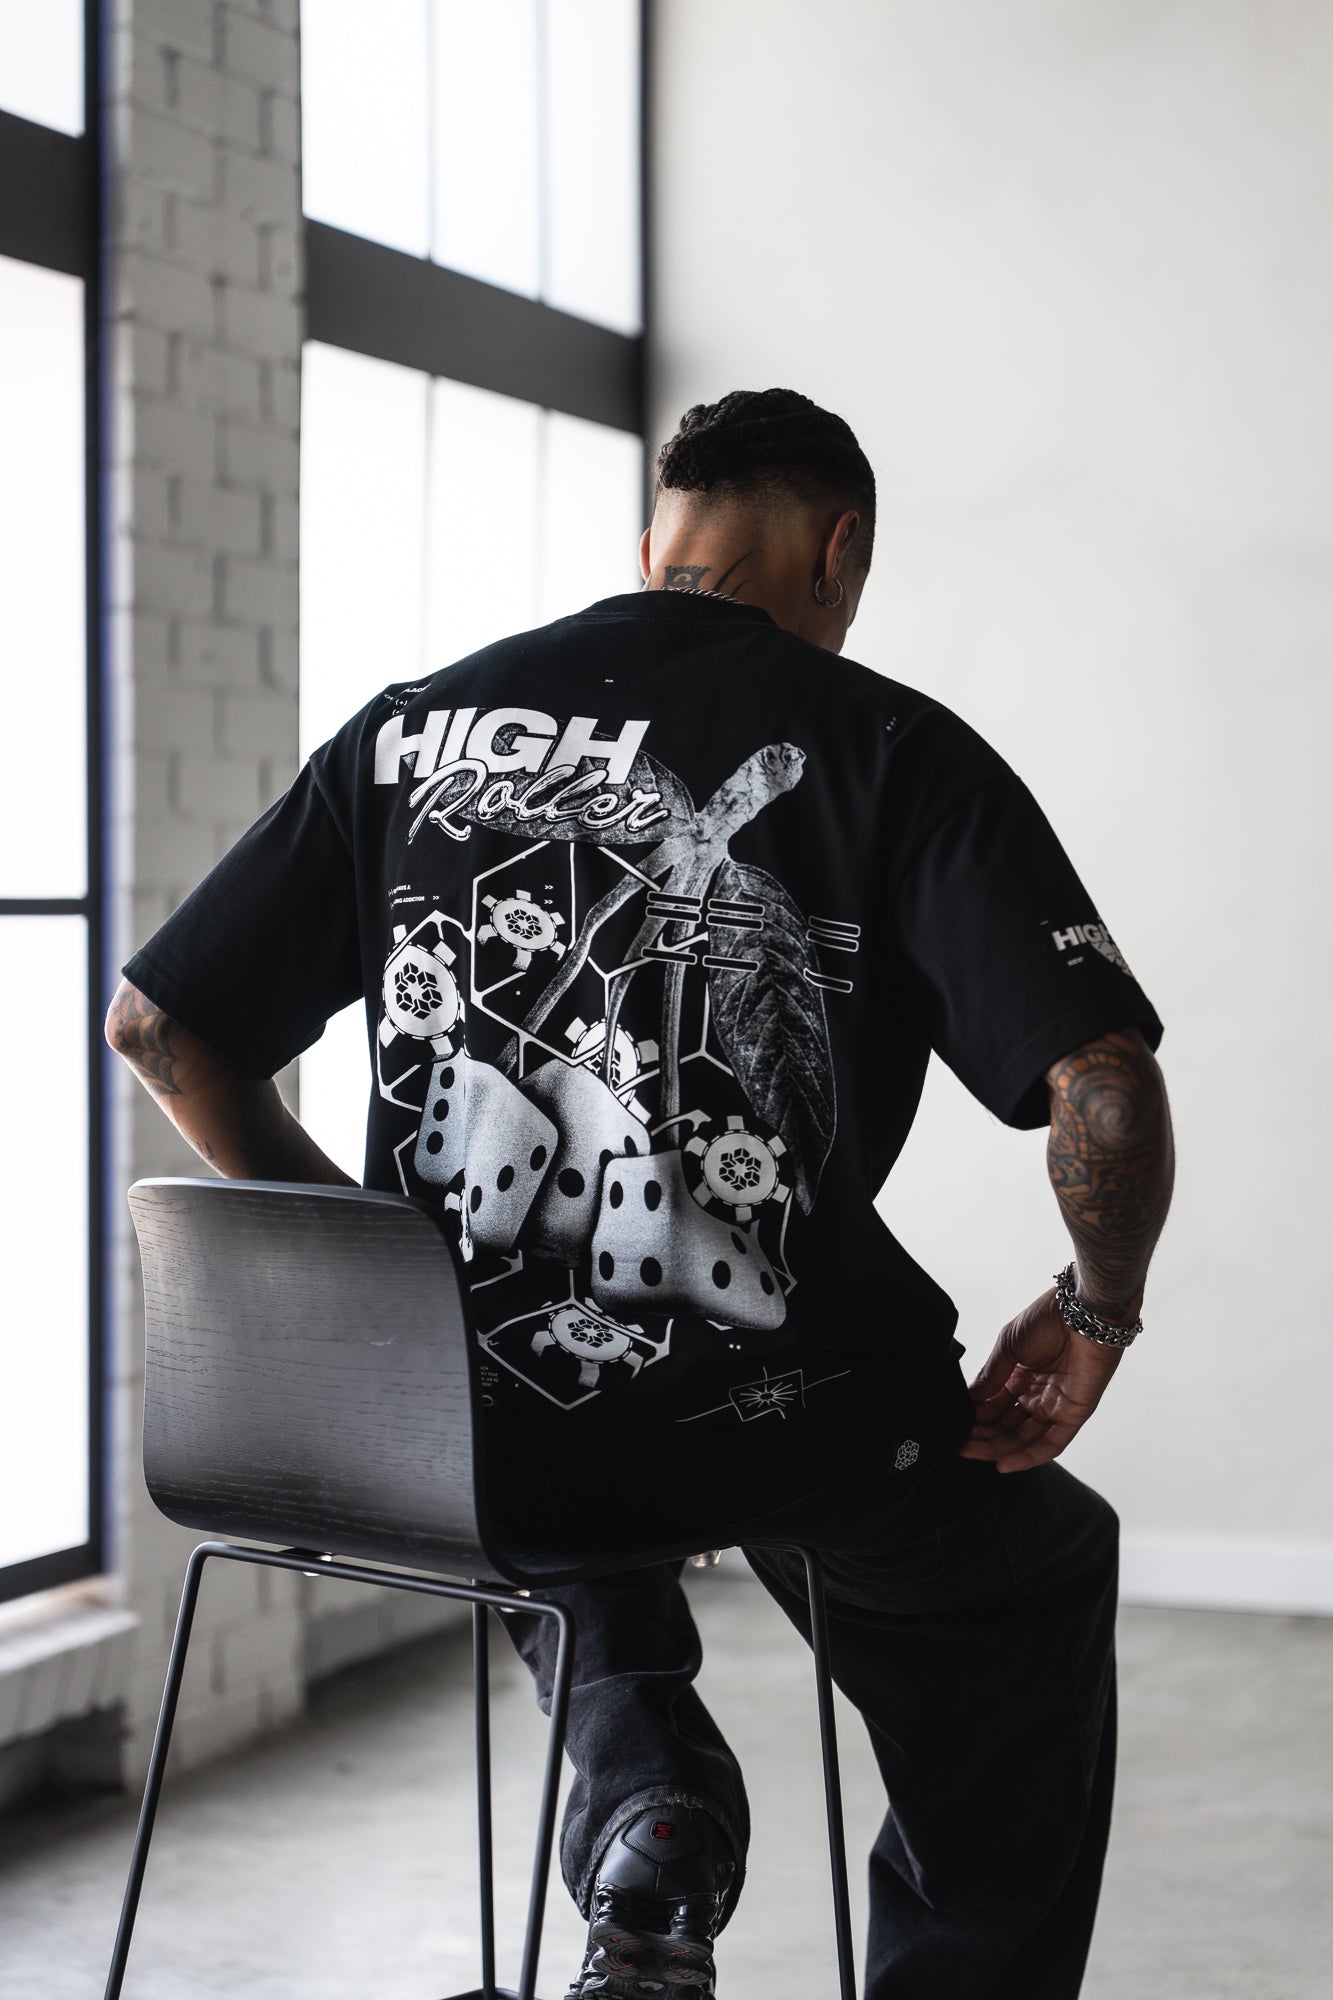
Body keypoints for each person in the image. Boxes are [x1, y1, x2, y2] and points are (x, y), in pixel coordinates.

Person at [107, 387, 1174, 1999]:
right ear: (839, 548)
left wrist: (383, 1282)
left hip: (463, 1420)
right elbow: (1099, 1086)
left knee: (550, 1474)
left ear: (652, 546)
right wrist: (1097, 1312)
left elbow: (158, 1027)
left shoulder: (409, 730)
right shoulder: (892, 745)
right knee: (1022, 1576)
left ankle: (645, 1808)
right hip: (788, 1411)